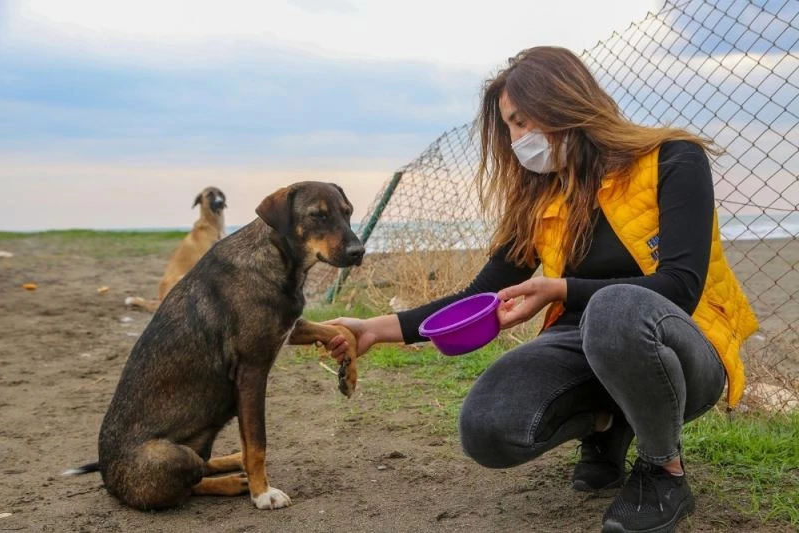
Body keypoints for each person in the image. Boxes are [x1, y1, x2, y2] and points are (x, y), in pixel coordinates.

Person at [324, 46, 758, 533]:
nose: (516, 139)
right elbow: (484, 289)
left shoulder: (673, 159)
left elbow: (680, 286)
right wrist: (372, 330)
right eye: (509, 127)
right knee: (487, 427)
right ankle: (607, 428)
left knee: (616, 309)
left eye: (522, 121)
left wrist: (560, 289)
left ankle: (663, 471)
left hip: (682, 344)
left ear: (565, 102)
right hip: (582, 343)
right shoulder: (542, 196)